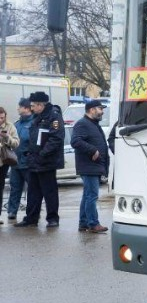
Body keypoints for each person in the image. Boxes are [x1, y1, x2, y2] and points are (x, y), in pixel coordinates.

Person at [14, 91, 64, 228]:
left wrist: (42, 154)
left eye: (33, 106)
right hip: (34, 161)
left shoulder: (53, 117)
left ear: (41, 105)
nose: (32, 108)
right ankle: (31, 218)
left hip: (46, 161)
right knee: (33, 192)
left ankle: (52, 218)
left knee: (49, 192)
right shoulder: (37, 117)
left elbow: (56, 139)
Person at [71, 99, 110, 233]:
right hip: (89, 166)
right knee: (92, 196)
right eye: (100, 109)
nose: (102, 112)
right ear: (92, 110)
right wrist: (93, 150)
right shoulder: (83, 124)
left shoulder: (93, 124)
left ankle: (83, 223)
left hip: (94, 166)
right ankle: (93, 223)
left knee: (87, 195)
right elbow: (75, 141)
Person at [6, 99, 34, 222]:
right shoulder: (17, 124)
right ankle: (12, 211)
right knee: (15, 188)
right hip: (16, 163)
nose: (17, 109)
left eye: (19, 107)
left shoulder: (34, 123)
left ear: (26, 108)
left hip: (28, 163)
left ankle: (32, 212)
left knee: (32, 190)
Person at [0, 106, 21, 225]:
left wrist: (7, 137)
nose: (0, 120)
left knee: (0, 189)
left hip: (3, 162)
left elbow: (16, 143)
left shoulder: (10, 126)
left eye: (2, 118)